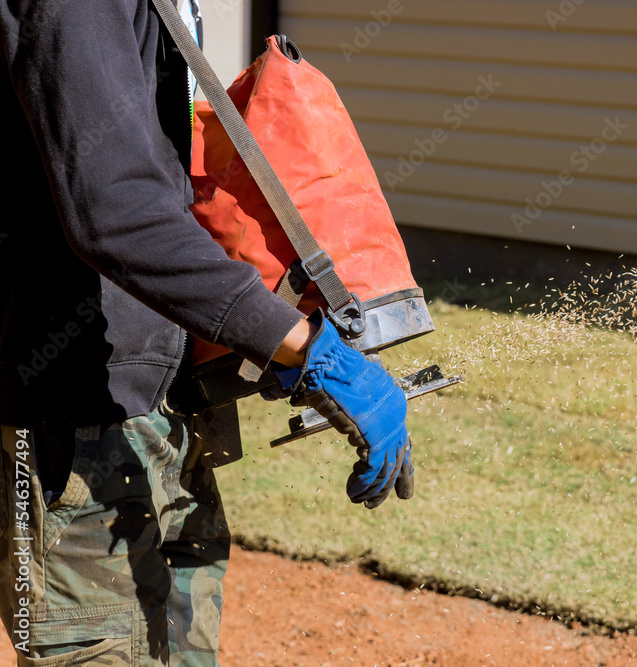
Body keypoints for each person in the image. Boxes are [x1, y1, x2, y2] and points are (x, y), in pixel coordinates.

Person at [0, 1, 412, 664]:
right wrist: (300, 344)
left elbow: (156, 176)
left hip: (163, 398)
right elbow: (116, 209)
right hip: (73, 416)